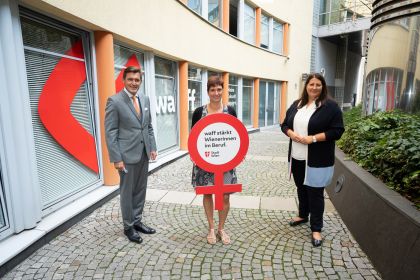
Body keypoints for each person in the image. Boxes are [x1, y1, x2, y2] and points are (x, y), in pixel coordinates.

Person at [281, 73, 344, 247]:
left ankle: (316, 228)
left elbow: (337, 131)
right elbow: (284, 124)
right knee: (301, 187)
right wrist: (291, 133)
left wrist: (313, 138)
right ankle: (303, 215)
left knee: (315, 193)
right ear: (306, 86)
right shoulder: (297, 105)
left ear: (323, 87)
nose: (314, 87)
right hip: (297, 156)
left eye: (318, 84)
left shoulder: (330, 107)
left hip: (317, 159)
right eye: (311, 84)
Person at [105, 66, 157, 244]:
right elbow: (110, 132)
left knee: (140, 189)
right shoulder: (114, 101)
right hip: (126, 156)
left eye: (137, 80)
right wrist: (116, 158)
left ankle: (137, 220)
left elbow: (148, 126)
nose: (134, 83)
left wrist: (152, 147)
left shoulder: (145, 98)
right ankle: (128, 227)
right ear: (123, 80)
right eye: (131, 79)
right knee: (127, 192)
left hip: (143, 153)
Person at [191, 75, 237, 245]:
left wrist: (239, 152)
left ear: (222, 90)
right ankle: (211, 227)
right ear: (208, 91)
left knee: (225, 196)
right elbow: (193, 137)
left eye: (219, 89)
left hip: (226, 162)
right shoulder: (199, 112)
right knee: (208, 193)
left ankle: (221, 228)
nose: (216, 93)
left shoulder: (230, 111)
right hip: (205, 161)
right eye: (213, 90)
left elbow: (236, 135)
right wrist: (194, 154)